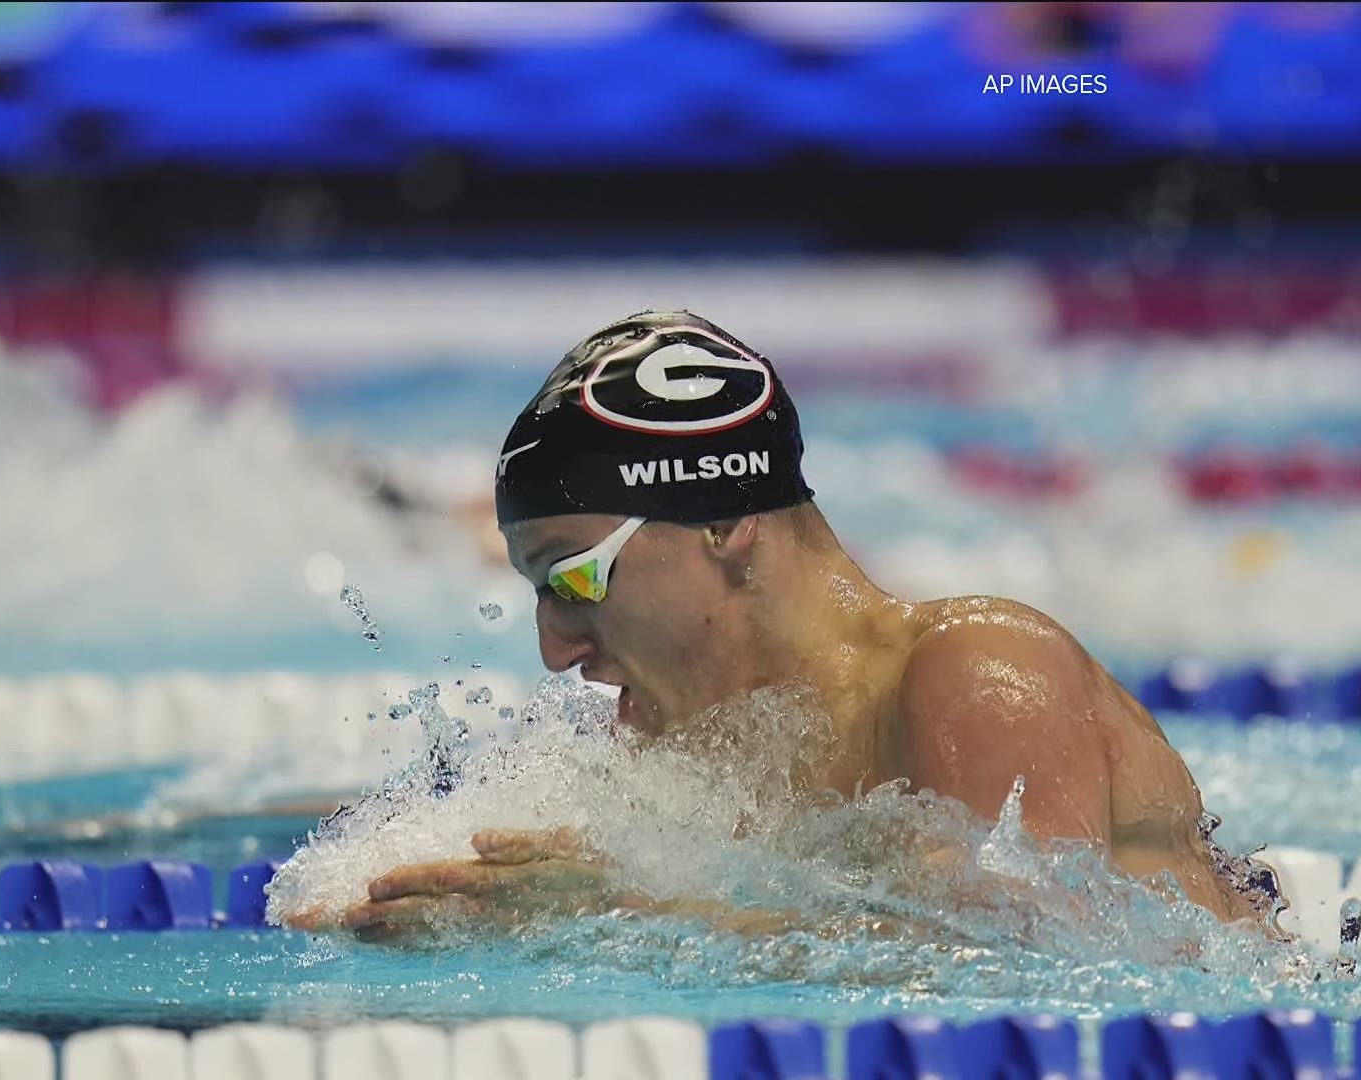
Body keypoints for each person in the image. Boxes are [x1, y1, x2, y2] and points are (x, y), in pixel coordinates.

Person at [294, 309, 1281, 940]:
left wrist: (622, 914)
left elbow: (1035, 967)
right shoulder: (710, 743)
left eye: (575, 581)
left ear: (723, 521)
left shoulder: (978, 675)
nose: (556, 648)